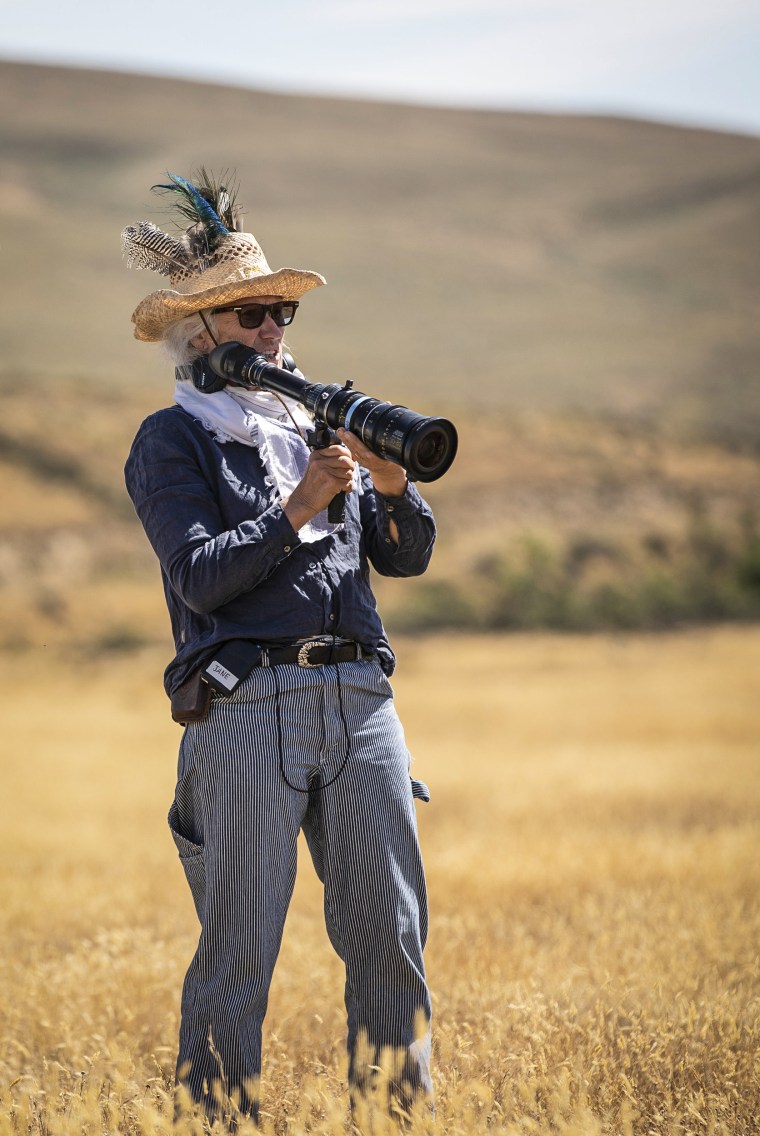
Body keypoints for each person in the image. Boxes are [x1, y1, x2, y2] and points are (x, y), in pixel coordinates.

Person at [122, 172, 435, 1122]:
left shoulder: (317, 425)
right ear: (202, 335)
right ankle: (217, 1116)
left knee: (390, 932)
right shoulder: (169, 441)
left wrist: (385, 487)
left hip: (363, 701)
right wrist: (299, 511)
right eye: (254, 315)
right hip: (248, 707)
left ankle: (394, 1114)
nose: (274, 333)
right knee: (241, 945)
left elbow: (408, 557)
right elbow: (200, 578)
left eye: (282, 312)